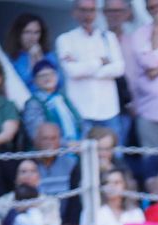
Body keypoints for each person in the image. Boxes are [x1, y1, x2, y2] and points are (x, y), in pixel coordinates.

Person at [57, 0, 127, 133]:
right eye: (83, 10)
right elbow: (72, 71)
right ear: (74, 12)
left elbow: (119, 68)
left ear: (96, 13)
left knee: (114, 153)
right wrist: (100, 62)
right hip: (81, 111)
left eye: (91, 10)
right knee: (84, 153)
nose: (87, 15)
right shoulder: (65, 39)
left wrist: (84, 67)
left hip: (109, 110)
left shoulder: (108, 37)